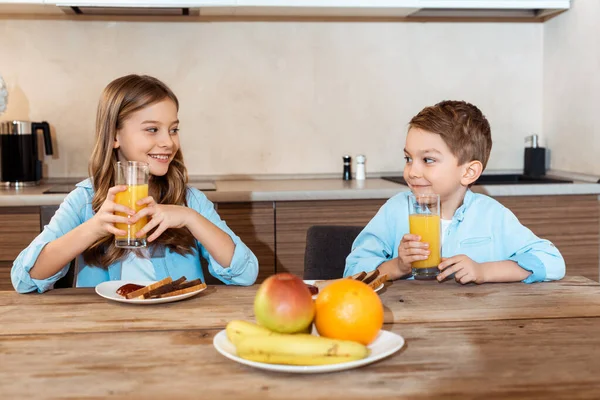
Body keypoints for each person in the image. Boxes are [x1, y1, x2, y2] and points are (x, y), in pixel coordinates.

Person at [12, 74, 258, 293]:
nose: (168, 142)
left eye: (173, 130)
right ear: (115, 136)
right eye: (152, 129)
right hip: (104, 325)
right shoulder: (85, 199)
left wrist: (190, 218)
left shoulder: (188, 200)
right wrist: (95, 227)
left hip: (177, 323)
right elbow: (24, 280)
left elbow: (245, 274)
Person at [345, 100, 565, 284]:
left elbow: (552, 261)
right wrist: (398, 266)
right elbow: (351, 274)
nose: (412, 171)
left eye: (428, 160)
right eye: (408, 158)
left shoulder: (492, 216)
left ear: (469, 172)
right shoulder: (394, 211)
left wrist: (484, 271)